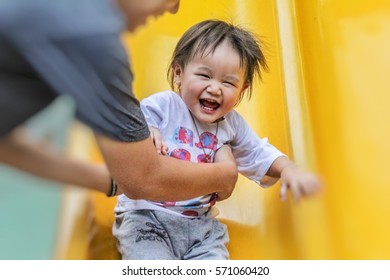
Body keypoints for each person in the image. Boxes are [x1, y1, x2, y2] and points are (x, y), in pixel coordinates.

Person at [113, 19, 322, 260]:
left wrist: (288, 169)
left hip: (201, 228)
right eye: (204, 75)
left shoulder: (231, 125)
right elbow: (135, 123)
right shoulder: (164, 106)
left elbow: (258, 152)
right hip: (147, 219)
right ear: (178, 73)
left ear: (242, 90)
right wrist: (150, 132)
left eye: (228, 82)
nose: (215, 88)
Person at [0, 0, 238, 201]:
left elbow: (5, 146)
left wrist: (109, 181)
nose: (174, 9)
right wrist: (224, 175)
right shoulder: (92, 35)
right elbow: (143, 178)